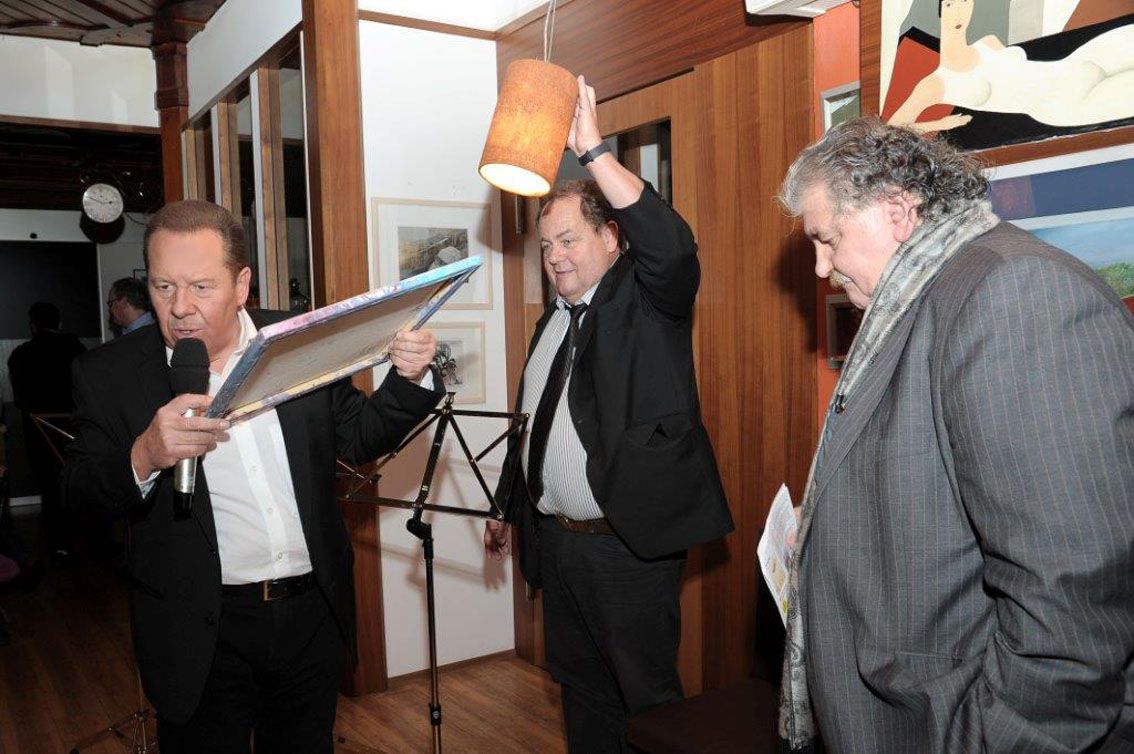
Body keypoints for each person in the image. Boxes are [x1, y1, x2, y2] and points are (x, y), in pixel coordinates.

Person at [776, 117, 1134, 752]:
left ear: (896, 210)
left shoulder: (1016, 294)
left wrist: (997, 738)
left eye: (827, 239)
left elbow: (1070, 599)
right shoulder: (928, 293)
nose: (822, 266)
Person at [61, 200, 443, 753]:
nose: (180, 308)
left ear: (241, 285)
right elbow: (76, 495)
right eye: (163, 287)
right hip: (199, 629)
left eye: (201, 287)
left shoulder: (297, 337)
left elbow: (359, 438)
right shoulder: (108, 373)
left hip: (312, 613)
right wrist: (143, 456)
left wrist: (409, 378)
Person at [484, 75, 734, 753]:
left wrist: (592, 151)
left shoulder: (647, 304)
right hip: (558, 546)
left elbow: (673, 247)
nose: (554, 257)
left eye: (568, 240)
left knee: (648, 705)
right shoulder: (551, 323)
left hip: (626, 548)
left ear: (613, 239)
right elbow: (532, 424)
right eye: (546, 246)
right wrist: (509, 505)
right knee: (581, 693)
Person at [887, 0, 1134, 132]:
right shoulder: (935, 83)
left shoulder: (988, 43)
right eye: (951, 4)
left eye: (966, 1)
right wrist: (941, 124)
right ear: (940, 10)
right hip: (1063, 104)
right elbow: (892, 128)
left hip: (1076, 63)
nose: (959, 12)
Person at [7, 301, 86, 561]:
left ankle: (57, 544)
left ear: (33, 326)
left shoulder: (19, 355)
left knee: (50, 488)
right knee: (83, 482)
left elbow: (20, 399)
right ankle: (90, 539)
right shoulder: (76, 349)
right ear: (59, 323)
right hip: (77, 430)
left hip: (39, 435)